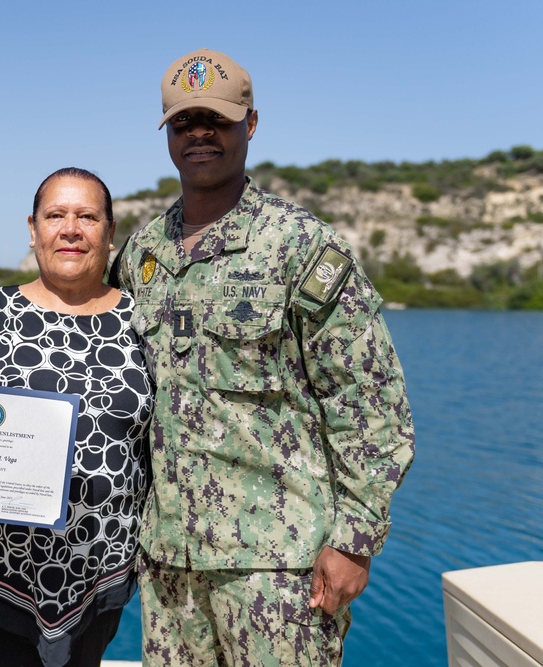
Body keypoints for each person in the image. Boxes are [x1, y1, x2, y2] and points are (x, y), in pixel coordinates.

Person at [113, 50, 416, 665]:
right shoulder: (143, 252)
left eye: (217, 121)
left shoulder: (300, 247)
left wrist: (354, 543)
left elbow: (372, 406)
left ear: (249, 125)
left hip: (278, 568)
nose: (199, 134)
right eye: (183, 122)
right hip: (170, 563)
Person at [0, 168, 154, 667]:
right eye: (55, 215)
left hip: (101, 566)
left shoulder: (144, 321)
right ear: (33, 228)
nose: (71, 229)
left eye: (87, 216)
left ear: (109, 230)